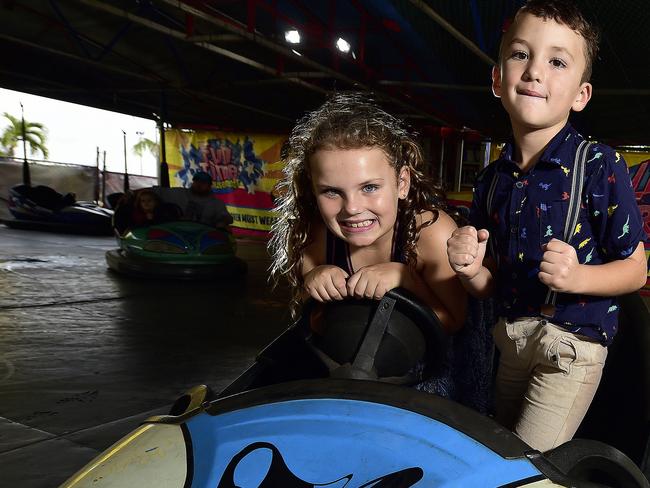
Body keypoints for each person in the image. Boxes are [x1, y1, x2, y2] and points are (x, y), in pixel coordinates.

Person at [447, 0, 647, 452]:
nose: (535, 71)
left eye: (557, 61)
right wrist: (468, 268)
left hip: (571, 348)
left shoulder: (599, 165)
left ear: (581, 94)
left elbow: (636, 270)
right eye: (521, 54)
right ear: (498, 79)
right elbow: (487, 287)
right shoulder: (491, 180)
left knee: (528, 466)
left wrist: (579, 277)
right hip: (513, 340)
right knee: (499, 452)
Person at [269, 92, 466, 335]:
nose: (352, 208)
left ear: (402, 183)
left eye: (369, 187)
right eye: (331, 192)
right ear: (312, 188)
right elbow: (316, 325)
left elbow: (454, 323)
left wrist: (407, 280)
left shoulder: (431, 232)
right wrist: (314, 285)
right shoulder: (316, 237)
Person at [153, 171, 233, 228]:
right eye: (197, 181)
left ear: (209, 186)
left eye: (203, 183)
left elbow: (226, 218)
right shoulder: (179, 193)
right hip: (179, 233)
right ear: (193, 182)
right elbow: (157, 191)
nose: (199, 185)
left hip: (204, 237)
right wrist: (144, 193)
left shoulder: (216, 204)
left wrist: (223, 221)